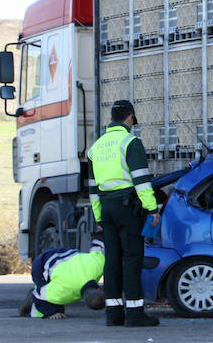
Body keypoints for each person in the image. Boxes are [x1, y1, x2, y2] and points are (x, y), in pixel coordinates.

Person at [87, 100, 160, 327]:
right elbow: (141, 180)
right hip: (128, 207)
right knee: (132, 258)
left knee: (113, 260)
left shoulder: (96, 147)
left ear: (111, 119)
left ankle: (114, 313)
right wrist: (152, 209)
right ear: (129, 118)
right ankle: (135, 313)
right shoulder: (130, 142)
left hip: (107, 209)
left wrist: (98, 217)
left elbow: (93, 188)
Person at [19, 238, 106, 319]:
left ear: (100, 290)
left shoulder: (98, 265)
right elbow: (40, 296)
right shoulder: (64, 293)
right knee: (45, 310)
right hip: (41, 265)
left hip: (62, 254)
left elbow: (99, 242)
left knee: (55, 302)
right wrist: (51, 313)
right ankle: (29, 301)